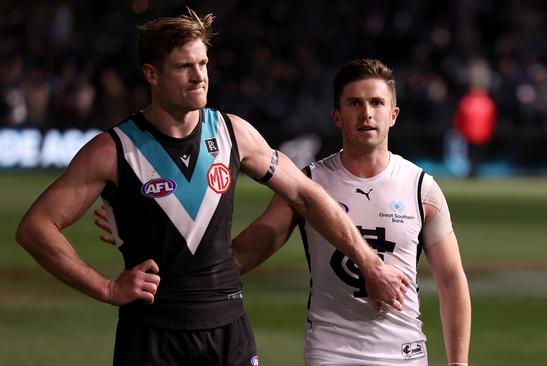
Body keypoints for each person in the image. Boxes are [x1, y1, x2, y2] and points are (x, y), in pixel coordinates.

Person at [15, 9, 409, 366]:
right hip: (152, 335)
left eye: (203, 63)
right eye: (184, 66)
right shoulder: (113, 150)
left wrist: (370, 264)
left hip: (228, 330)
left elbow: (306, 195)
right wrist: (105, 287)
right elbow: (36, 228)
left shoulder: (234, 133)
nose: (199, 75)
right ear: (152, 74)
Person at [97, 58, 472, 365]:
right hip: (332, 351)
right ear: (336, 116)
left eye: (376, 103)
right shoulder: (310, 184)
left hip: (405, 352)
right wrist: (154, 235)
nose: (366, 113)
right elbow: (246, 251)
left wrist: (458, 364)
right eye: (354, 103)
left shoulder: (422, 188)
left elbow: (452, 279)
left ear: (394, 114)